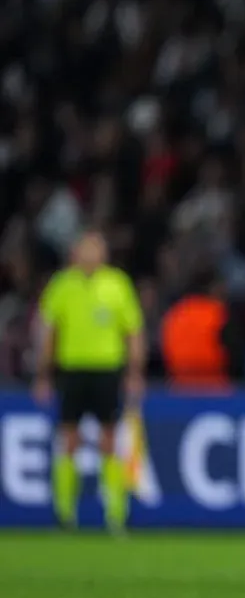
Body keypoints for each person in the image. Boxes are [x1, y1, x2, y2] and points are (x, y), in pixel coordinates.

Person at [33, 229, 146, 534]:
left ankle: (115, 514)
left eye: (95, 249)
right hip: (71, 370)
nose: (90, 254)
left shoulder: (117, 284)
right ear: (75, 253)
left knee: (109, 439)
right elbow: (49, 332)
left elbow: (133, 330)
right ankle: (65, 513)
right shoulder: (62, 285)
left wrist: (135, 372)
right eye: (85, 249)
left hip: (108, 369)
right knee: (69, 439)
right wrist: (43, 374)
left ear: (104, 253)